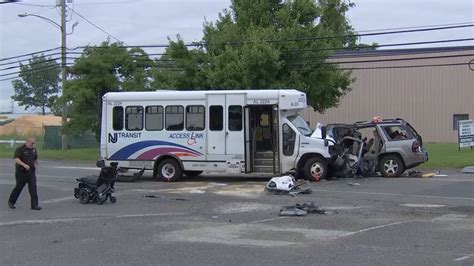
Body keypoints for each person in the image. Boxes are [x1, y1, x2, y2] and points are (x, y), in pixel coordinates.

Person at [8, 137, 41, 210]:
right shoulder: (20, 149)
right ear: (27, 142)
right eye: (32, 143)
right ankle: (11, 201)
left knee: (33, 188)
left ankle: (34, 205)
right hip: (21, 172)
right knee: (19, 187)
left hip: (31, 172)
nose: (33, 144)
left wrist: (36, 162)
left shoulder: (33, 150)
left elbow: (35, 158)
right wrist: (24, 165)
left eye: (34, 143)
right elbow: (16, 159)